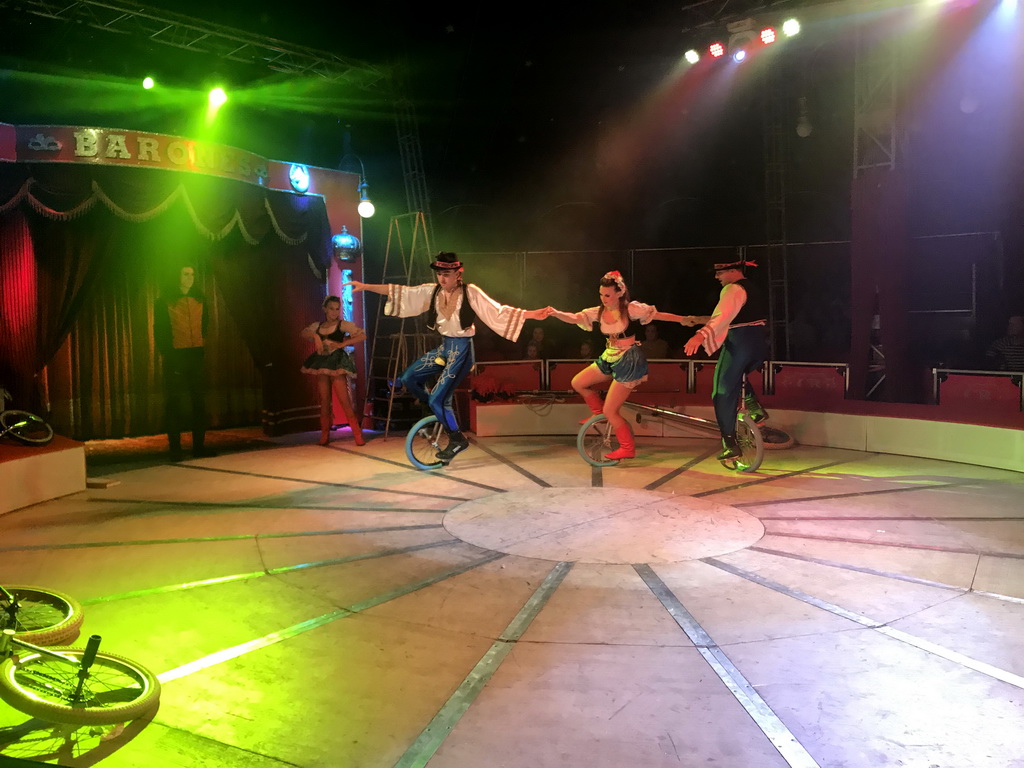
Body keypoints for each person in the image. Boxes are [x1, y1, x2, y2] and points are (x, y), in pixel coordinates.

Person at [342, 252, 550, 464]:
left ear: (458, 274)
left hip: (462, 351)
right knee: (409, 378)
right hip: (445, 347)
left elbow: (497, 310)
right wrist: (366, 286)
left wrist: (531, 314)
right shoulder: (433, 292)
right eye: (440, 274)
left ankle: (457, 438)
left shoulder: (471, 292)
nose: (442, 278)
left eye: (447, 274)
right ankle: (434, 406)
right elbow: (402, 292)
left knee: (438, 398)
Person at [549, 270, 689, 460]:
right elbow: (575, 318)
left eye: (607, 295)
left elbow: (658, 315)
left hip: (629, 359)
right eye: (601, 294)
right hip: (610, 356)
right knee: (578, 382)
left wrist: (682, 319)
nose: (603, 299)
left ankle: (627, 447)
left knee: (611, 410)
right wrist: (556, 313)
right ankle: (598, 413)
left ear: (619, 292)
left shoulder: (630, 309)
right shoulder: (598, 312)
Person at [682, 258, 769, 461]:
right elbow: (732, 316)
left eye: (720, 273)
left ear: (732, 271)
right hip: (758, 344)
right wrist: (697, 319)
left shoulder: (732, 289)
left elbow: (721, 318)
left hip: (740, 342)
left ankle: (730, 443)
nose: (717, 277)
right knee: (737, 377)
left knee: (722, 390)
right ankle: (753, 405)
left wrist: (699, 335)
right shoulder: (751, 288)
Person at [153, 264, 212, 461]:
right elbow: (159, 330)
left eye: (192, 274)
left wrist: (199, 343)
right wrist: (167, 353)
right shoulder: (164, 301)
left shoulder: (200, 299)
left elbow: (205, 324)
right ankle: (175, 450)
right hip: (175, 356)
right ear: (177, 276)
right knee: (174, 403)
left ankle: (199, 447)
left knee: (198, 402)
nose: (190, 277)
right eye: (186, 274)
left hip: (195, 354)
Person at [300, 296, 366, 446]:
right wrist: (316, 336)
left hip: (336, 363)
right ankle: (324, 435)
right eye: (331, 308)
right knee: (324, 401)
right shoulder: (318, 326)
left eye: (337, 309)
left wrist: (343, 344)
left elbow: (362, 335)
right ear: (325, 309)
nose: (335, 312)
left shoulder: (342, 325)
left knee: (344, 400)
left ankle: (357, 434)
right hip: (322, 363)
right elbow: (303, 333)